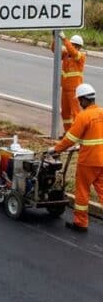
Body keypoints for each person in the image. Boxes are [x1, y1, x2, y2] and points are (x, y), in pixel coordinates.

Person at [49, 83, 103, 233]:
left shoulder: (84, 116)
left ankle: (80, 223)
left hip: (88, 162)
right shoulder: (102, 112)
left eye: (80, 100)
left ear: (85, 100)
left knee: (82, 192)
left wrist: (55, 149)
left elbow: (69, 139)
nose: (79, 103)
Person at [52, 32, 86, 132]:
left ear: (78, 47)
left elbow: (74, 53)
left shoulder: (80, 56)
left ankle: (77, 134)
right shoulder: (66, 54)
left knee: (76, 113)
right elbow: (55, 50)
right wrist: (54, 38)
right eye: (71, 44)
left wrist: (64, 39)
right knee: (65, 113)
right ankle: (68, 133)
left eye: (73, 45)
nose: (71, 46)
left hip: (75, 90)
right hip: (65, 89)